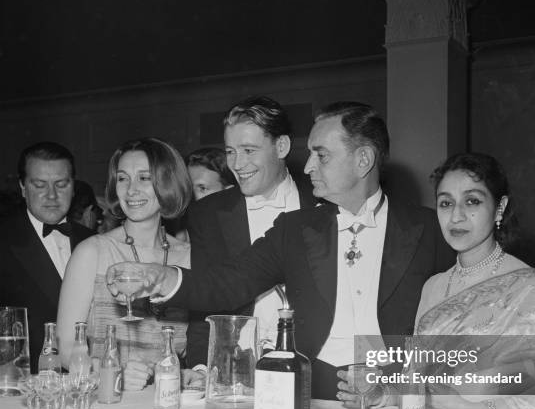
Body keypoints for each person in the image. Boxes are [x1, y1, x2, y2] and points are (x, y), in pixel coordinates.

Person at [108, 102, 453, 400]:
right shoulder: (296, 229)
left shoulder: (430, 229)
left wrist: (399, 390)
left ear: (363, 160)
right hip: (310, 391)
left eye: (322, 155)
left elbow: (455, 329)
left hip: (397, 397)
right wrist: (162, 278)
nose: (307, 167)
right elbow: (228, 283)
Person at [412, 152, 535, 409]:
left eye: (472, 201)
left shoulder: (528, 285)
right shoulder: (432, 287)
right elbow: (416, 380)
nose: (456, 216)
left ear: (499, 208)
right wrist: (388, 393)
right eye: (445, 203)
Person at [185, 96, 316, 367]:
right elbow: (203, 306)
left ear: (281, 146)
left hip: (311, 364)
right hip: (235, 365)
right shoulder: (207, 214)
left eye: (248, 150)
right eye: (231, 151)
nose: (237, 164)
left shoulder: (322, 205)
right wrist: (200, 368)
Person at [57, 137, 191, 389]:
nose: (130, 190)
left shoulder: (190, 257)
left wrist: (191, 374)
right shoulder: (92, 252)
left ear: (168, 182)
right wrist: (111, 374)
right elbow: (66, 349)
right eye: (122, 178)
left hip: (170, 404)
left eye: (144, 178)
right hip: (107, 404)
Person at [0, 142, 94, 371]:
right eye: (40, 185)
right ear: (23, 187)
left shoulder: (94, 241)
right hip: (20, 388)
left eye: (61, 184)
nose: (52, 195)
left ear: (73, 186)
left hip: (86, 383)